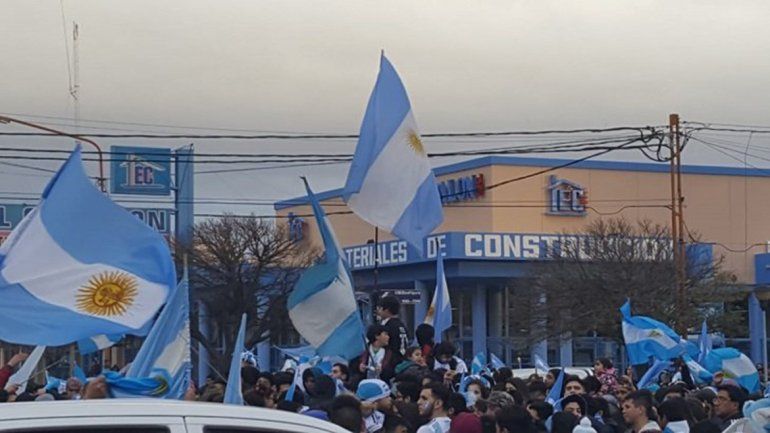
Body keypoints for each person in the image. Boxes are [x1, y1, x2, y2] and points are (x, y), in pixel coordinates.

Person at [377, 295, 410, 364]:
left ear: (386, 310)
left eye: (380, 308)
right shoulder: (402, 325)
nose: (378, 311)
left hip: (391, 363)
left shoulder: (387, 327)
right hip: (403, 362)